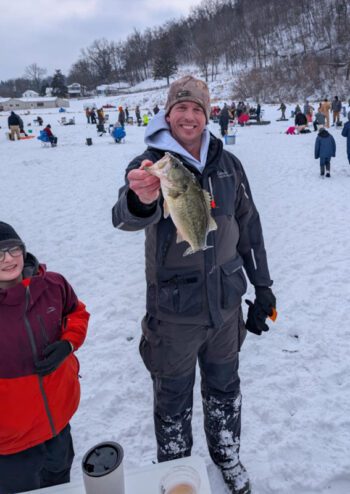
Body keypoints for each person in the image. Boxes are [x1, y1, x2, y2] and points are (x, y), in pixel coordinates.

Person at [112, 75, 276, 494]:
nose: (189, 116)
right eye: (181, 108)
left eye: (197, 109)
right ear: (168, 114)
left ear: (207, 115)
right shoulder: (151, 164)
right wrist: (141, 199)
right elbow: (125, 216)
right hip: (173, 314)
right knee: (172, 403)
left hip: (224, 306)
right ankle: (178, 471)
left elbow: (249, 227)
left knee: (225, 390)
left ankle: (226, 454)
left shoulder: (228, 164)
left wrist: (263, 287)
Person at [0, 221, 89, 493]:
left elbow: (77, 313)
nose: (8, 259)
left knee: (59, 483)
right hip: (12, 444)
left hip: (58, 421)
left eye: (13, 249)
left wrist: (68, 344)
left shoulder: (52, 284)